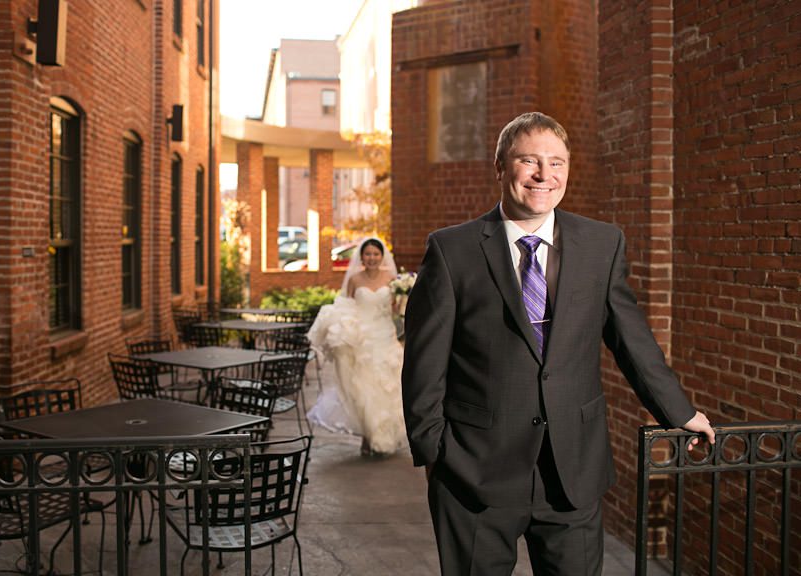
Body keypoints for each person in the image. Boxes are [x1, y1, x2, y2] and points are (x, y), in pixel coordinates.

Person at [401, 112, 716, 575]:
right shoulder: (452, 250)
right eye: (529, 160)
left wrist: (679, 412)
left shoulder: (601, 244)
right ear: (500, 167)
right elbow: (423, 364)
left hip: (573, 472)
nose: (544, 175)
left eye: (557, 162)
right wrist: (436, 453)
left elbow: (632, 340)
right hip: (475, 474)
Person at [307, 238, 408, 456]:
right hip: (363, 338)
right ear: (361, 257)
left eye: (376, 254)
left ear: (382, 257)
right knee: (363, 387)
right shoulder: (354, 279)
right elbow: (345, 308)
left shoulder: (393, 280)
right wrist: (342, 332)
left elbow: (395, 311)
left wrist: (403, 304)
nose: (372, 258)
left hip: (385, 336)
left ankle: (386, 435)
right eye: (368, 254)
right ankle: (367, 435)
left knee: (388, 387)